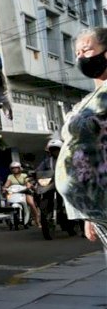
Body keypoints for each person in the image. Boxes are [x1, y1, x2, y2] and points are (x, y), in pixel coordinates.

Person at [57, 28, 107, 247]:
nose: (80, 57)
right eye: (77, 53)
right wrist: (86, 212)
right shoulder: (87, 101)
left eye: (86, 50)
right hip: (99, 211)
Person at [2, 161, 38, 226]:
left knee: (31, 203)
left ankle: (37, 219)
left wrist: (28, 185)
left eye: (16, 168)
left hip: (24, 192)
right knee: (7, 203)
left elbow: (27, 182)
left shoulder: (24, 175)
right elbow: (7, 183)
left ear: (19, 168)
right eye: (13, 168)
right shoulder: (10, 176)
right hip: (14, 193)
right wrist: (5, 188)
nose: (15, 169)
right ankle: (9, 219)